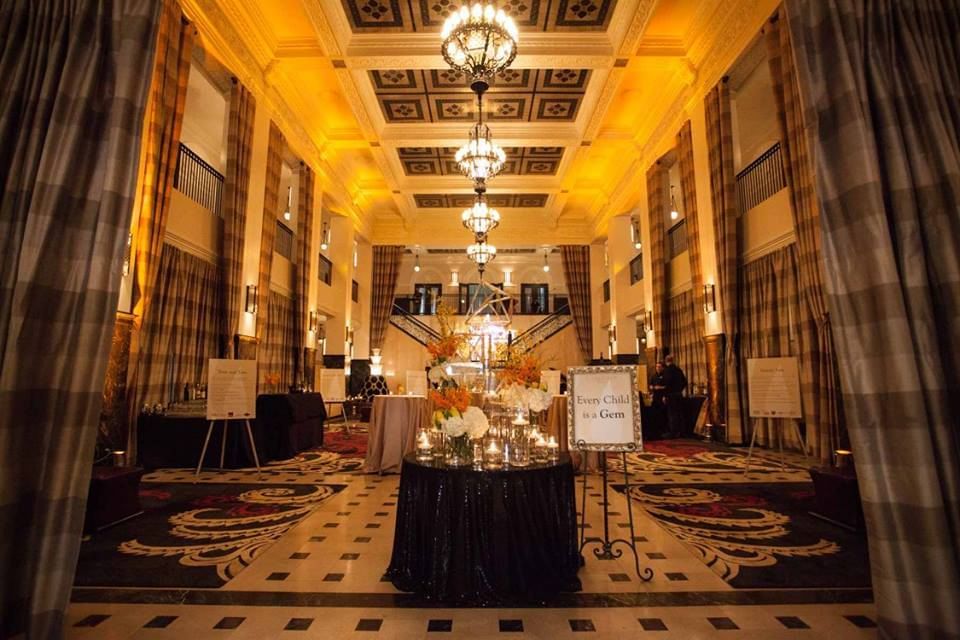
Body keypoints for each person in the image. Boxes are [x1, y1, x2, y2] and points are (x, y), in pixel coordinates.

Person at [662, 355, 688, 438]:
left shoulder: (667, 370)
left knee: (672, 414)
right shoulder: (678, 370)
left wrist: (665, 395)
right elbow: (685, 382)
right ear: (672, 360)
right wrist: (679, 389)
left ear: (666, 361)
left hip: (671, 395)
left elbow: (667, 384)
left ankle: (673, 432)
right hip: (679, 394)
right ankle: (682, 432)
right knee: (680, 413)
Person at [647, 361, 668, 439]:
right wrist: (652, 388)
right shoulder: (654, 376)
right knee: (654, 414)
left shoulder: (665, 376)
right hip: (655, 397)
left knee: (662, 414)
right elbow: (650, 385)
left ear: (663, 368)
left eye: (659, 367)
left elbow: (667, 387)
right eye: (656, 367)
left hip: (662, 397)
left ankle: (663, 430)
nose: (658, 368)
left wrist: (660, 387)